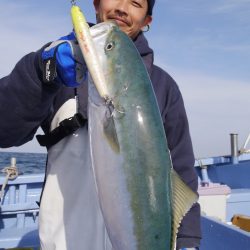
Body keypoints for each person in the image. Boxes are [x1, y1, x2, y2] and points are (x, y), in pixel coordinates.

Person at [0, 0, 201, 249]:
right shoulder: (57, 67)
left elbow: (182, 168)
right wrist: (40, 73)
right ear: (96, 4)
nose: (122, 7)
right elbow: (4, 131)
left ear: (147, 20)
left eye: (136, 3)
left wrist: (188, 241)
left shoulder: (164, 87)